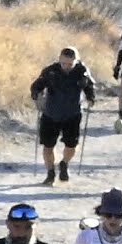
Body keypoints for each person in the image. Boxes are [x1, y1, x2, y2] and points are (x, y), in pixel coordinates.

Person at [29, 46, 96, 186]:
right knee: (48, 146)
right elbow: (36, 85)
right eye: (63, 63)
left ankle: (64, 163)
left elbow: (90, 86)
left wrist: (91, 98)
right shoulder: (50, 71)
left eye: (70, 64)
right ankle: (50, 172)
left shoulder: (82, 71)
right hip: (51, 113)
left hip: (72, 114)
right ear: (59, 59)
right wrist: (36, 95)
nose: (66, 67)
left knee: (71, 145)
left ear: (76, 61)